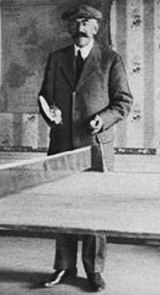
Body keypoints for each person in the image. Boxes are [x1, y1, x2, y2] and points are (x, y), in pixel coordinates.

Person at [38, 4, 133, 292]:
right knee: (61, 208)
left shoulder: (110, 60)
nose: (79, 28)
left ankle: (94, 270)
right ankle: (64, 267)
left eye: (86, 23)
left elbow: (123, 102)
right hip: (62, 146)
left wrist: (101, 120)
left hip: (96, 147)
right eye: (74, 23)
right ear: (68, 28)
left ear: (95, 27)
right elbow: (45, 96)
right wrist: (49, 112)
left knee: (94, 209)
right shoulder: (56, 59)